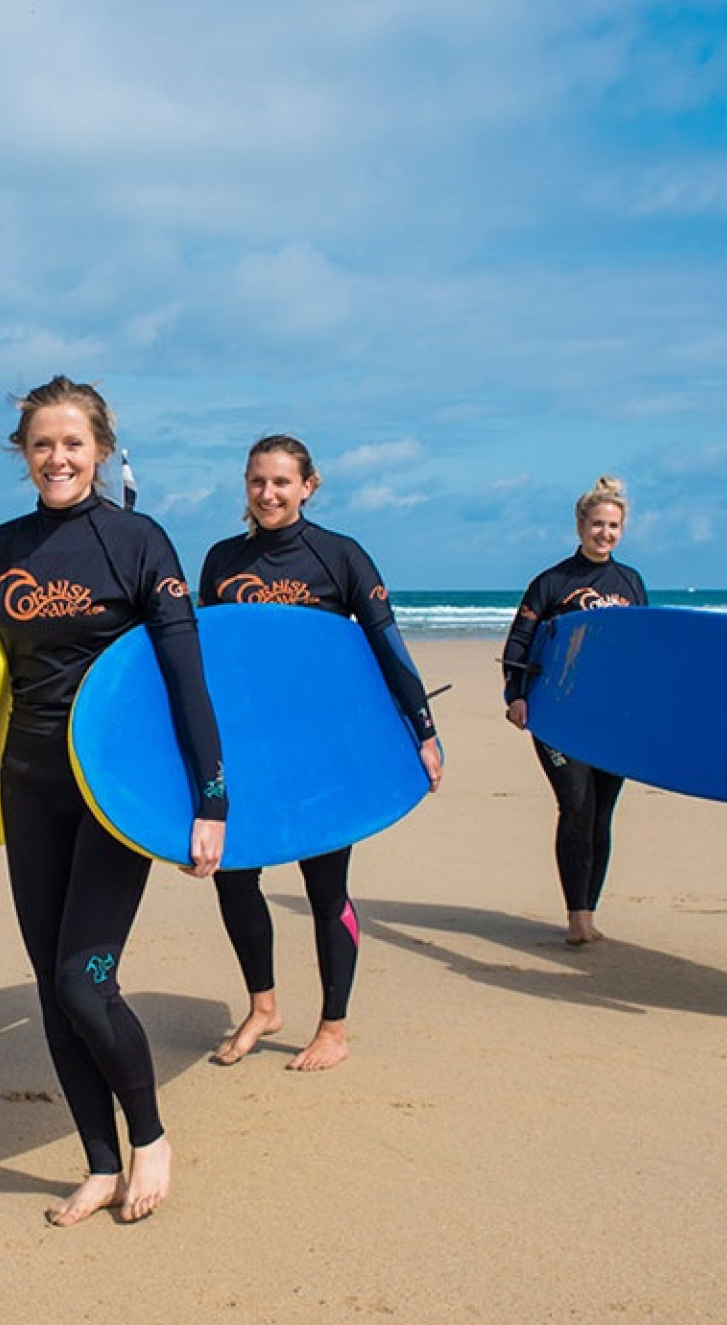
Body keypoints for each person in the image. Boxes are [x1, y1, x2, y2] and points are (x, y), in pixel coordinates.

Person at [0, 376, 227, 1226]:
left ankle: (149, 1136)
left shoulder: (139, 542)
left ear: (102, 450)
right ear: (24, 454)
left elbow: (188, 678)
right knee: (51, 987)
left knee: (86, 981)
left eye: (73, 443)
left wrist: (210, 798)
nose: (58, 458)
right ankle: (98, 1161)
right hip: (30, 783)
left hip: (115, 789)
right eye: (42, 444)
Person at [198, 435, 444, 1071]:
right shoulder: (223, 560)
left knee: (325, 884)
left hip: (323, 751)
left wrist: (422, 729)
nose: (268, 494)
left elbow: (388, 647)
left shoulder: (340, 556)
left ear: (308, 486)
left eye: (281, 482)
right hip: (251, 746)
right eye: (257, 482)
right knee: (233, 874)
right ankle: (264, 1005)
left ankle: (334, 1027)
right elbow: (208, 661)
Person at [500, 476, 649, 945]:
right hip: (557, 715)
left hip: (612, 719)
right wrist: (515, 695)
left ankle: (589, 911)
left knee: (601, 814)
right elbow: (518, 643)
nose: (604, 533)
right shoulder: (551, 583)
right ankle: (575, 917)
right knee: (576, 804)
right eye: (597, 523)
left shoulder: (630, 582)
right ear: (580, 524)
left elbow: (647, 650)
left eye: (613, 526)